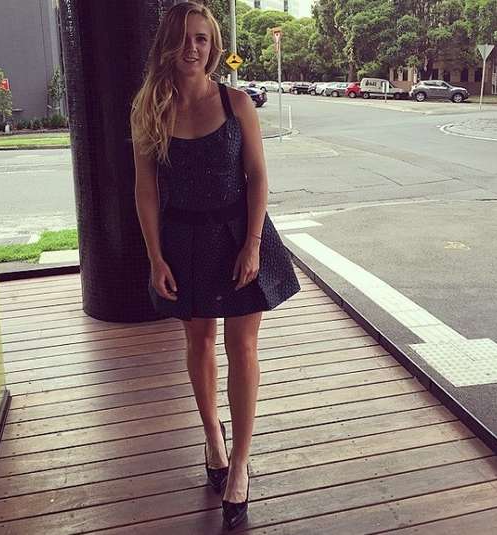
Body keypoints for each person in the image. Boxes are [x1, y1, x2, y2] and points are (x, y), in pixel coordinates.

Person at [130, 2, 300, 529]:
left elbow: (257, 177)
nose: (193, 48)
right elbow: (145, 190)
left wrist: (252, 243)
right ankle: (213, 439)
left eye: (202, 38)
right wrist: (155, 256)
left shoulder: (236, 102)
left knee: (242, 346)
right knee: (199, 341)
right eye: (183, 38)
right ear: (167, 44)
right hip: (183, 239)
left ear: (213, 46)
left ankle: (240, 463)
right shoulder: (149, 108)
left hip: (238, 234)